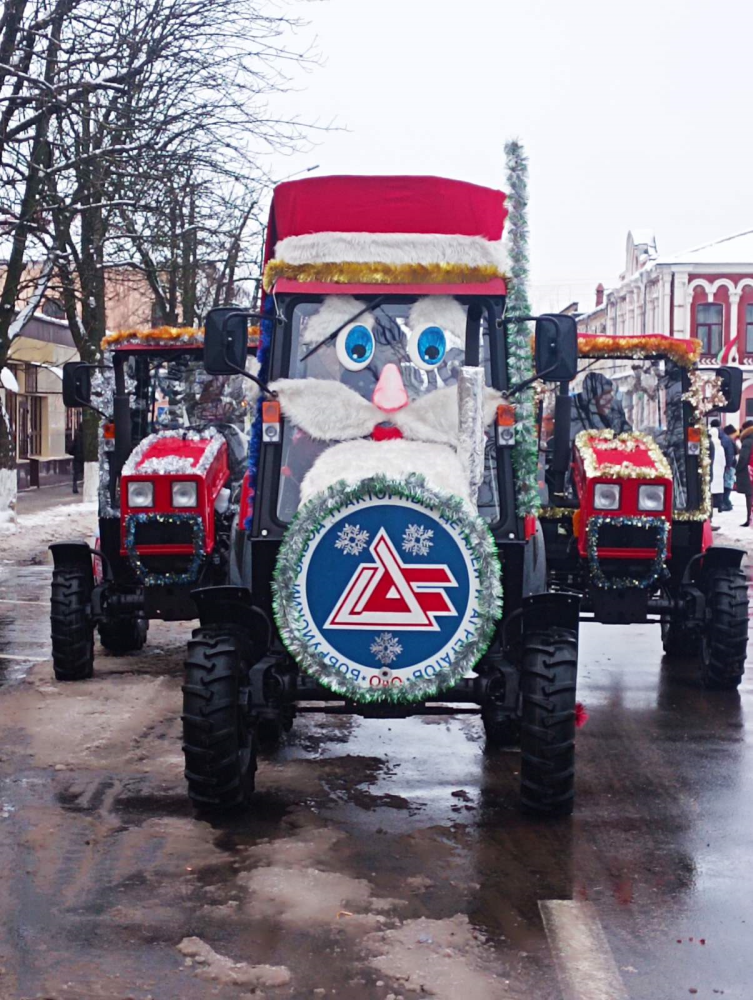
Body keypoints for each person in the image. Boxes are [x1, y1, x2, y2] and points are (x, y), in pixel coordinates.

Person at [570, 371, 632, 437]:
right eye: (605, 394)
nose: (610, 397)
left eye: (610, 393)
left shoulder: (612, 411)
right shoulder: (575, 411)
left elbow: (627, 434)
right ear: (593, 398)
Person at [735, 420, 753, 527]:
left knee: (749, 495)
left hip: (749, 471)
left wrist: (738, 469)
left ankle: (749, 519)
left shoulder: (748, 441)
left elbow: (743, 458)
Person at [709, 419, 728, 512]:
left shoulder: (707, 445)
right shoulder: (720, 447)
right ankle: (720, 506)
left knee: (710, 490)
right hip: (719, 471)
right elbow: (723, 461)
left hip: (711, 470)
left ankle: (711, 508)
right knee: (719, 489)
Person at [719, 422, 737, 512]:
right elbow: (730, 454)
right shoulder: (728, 440)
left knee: (726, 483)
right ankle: (726, 502)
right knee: (728, 484)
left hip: (726, 465)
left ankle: (725, 501)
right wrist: (729, 465)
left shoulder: (724, 439)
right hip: (728, 466)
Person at [70, 426, 84, 495]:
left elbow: (72, 447)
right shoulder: (87, 437)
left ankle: (75, 486)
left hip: (77, 457)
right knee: (84, 472)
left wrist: (73, 453)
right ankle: (85, 487)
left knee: (76, 473)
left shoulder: (77, 437)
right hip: (84, 458)